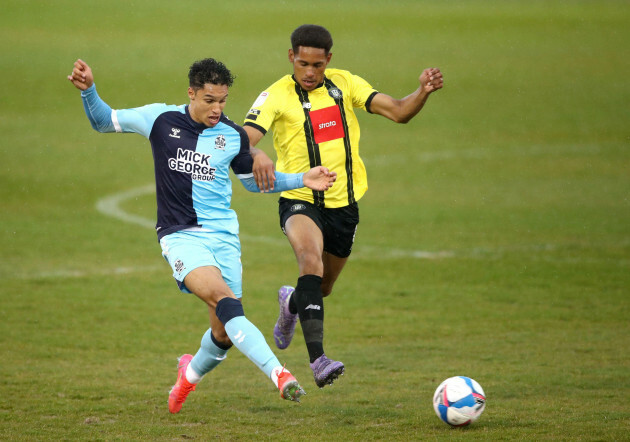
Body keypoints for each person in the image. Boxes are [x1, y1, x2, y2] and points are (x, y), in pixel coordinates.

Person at [68, 57, 338, 413]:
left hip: (223, 237)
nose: (217, 108)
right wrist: (89, 90)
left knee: (224, 335)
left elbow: (255, 185)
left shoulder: (232, 135)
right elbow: (103, 121)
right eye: (209, 100)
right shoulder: (160, 119)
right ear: (191, 93)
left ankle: (187, 376)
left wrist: (302, 178)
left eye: (223, 100)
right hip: (180, 236)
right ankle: (280, 375)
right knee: (227, 303)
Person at [243, 24, 443, 388]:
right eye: (302, 63)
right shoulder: (275, 95)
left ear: (328, 61)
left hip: (344, 206)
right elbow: (244, 138)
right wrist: (256, 153)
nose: (309, 72)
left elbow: (399, 112)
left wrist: (422, 91)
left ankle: (291, 303)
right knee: (309, 261)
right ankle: (318, 360)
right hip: (300, 199)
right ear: (291, 57)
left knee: (322, 287)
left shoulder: (344, 84)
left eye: (317, 65)